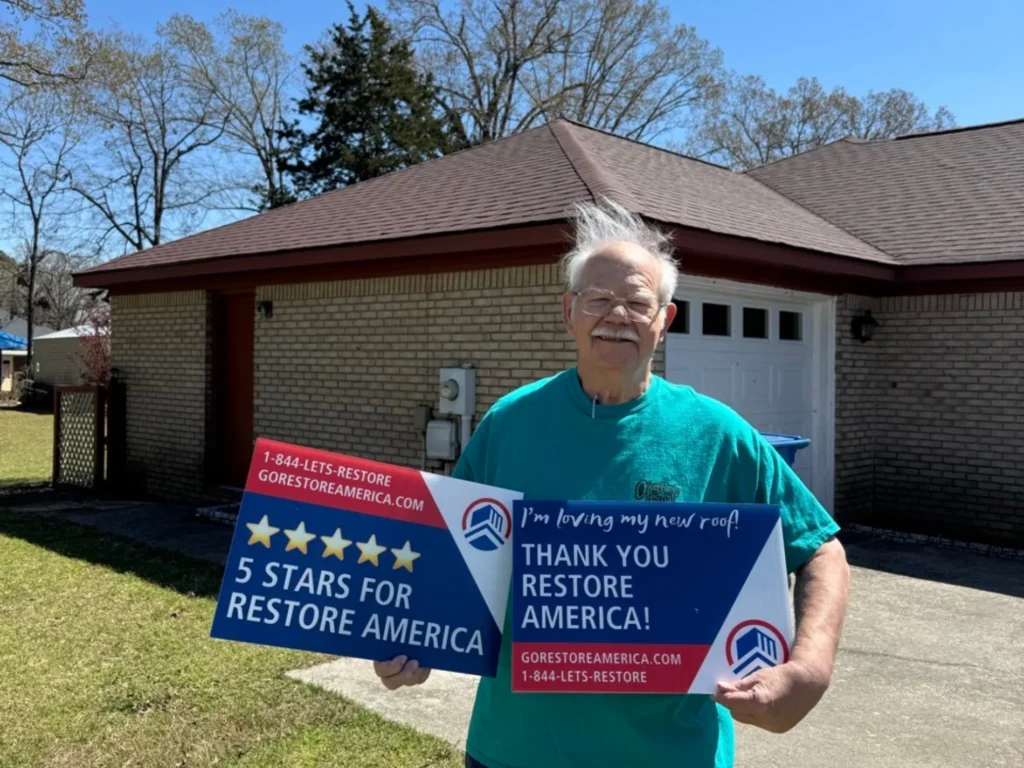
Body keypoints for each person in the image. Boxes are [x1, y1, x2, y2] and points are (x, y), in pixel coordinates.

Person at [373, 199, 851, 767]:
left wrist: (810, 668)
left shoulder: (717, 434)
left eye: (637, 302)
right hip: (514, 750)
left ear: (665, 320)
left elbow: (820, 547)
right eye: (598, 299)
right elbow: (446, 556)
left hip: (673, 754)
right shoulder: (510, 423)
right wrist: (411, 637)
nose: (617, 315)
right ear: (568, 312)